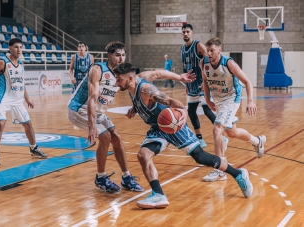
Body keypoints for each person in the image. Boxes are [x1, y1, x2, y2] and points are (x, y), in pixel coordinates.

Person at [114, 62, 253, 209]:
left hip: (173, 125)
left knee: (201, 157)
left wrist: (183, 113)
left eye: (119, 79)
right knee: (143, 155)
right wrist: (136, 107)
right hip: (157, 127)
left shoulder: (146, 89)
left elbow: (169, 101)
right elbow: (158, 73)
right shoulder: (136, 81)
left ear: (130, 78)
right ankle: (158, 195)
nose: (117, 83)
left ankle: (238, 174)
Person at [67, 41, 144, 193]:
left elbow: (134, 88)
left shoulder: (122, 73)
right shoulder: (97, 69)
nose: (121, 59)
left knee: (117, 137)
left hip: (99, 112)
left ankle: (126, 177)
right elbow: (92, 99)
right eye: (117, 55)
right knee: (106, 137)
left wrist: (135, 106)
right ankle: (101, 177)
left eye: (123, 55)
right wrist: (91, 126)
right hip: (79, 109)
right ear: (109, 56)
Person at [200, 37, 266, 182]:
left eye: (212, 50)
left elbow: (247, 82)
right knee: (232, 132)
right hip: (218, 100)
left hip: (231, 99)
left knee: (217, 128)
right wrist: (207, 99)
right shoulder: (203, 63)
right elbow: (205, 81)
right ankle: (257, 141)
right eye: (207, 51)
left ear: (219, 50)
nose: (209, 53)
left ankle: (220, 170)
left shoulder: (229, 63)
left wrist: (250, 101)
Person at [0, 38, 47, 168]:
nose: (19, 50)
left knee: (28, 124)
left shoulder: (21, 64)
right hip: (1, 99)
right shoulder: (2, 63)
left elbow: (22, 83)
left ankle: (33, 148)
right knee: (0, 124)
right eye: (16, 47)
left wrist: (27, 99)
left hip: (17, 100)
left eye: (21, 47)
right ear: (10, 48)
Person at [181, 23, 220, 149]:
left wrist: (207, 81)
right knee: (191, 111)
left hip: (202, 83)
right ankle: (199, 138)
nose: (186, 34)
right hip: (191, 85)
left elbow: (208, 60)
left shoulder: (198, 45)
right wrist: (186, 84)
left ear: (192, 33)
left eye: (188, 31)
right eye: (184, 32)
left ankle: (221, 134)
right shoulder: (182, 48)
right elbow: (185, 67)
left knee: (207, 109)